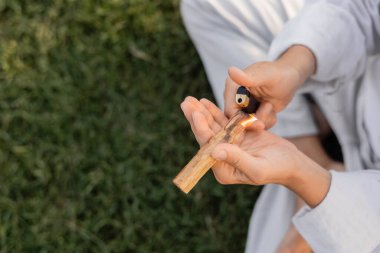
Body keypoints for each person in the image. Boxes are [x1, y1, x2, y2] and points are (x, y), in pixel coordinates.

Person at [180, 0, 380, 252]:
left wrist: (303, 175)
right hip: (362, 84)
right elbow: (365, 7)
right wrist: (291, 67)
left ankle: (313, 141)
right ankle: (312, 140)